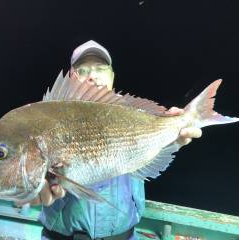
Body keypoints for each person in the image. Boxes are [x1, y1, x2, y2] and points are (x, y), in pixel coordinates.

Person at [30, 40, 202, 240]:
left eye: (100, 69)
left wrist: (174, 140)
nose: (93, 76)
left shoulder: (132, 114)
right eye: (83, 70)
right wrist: (28, 190)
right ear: (71, 77)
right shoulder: (50, 119)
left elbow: (150, 150)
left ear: (112, 77)